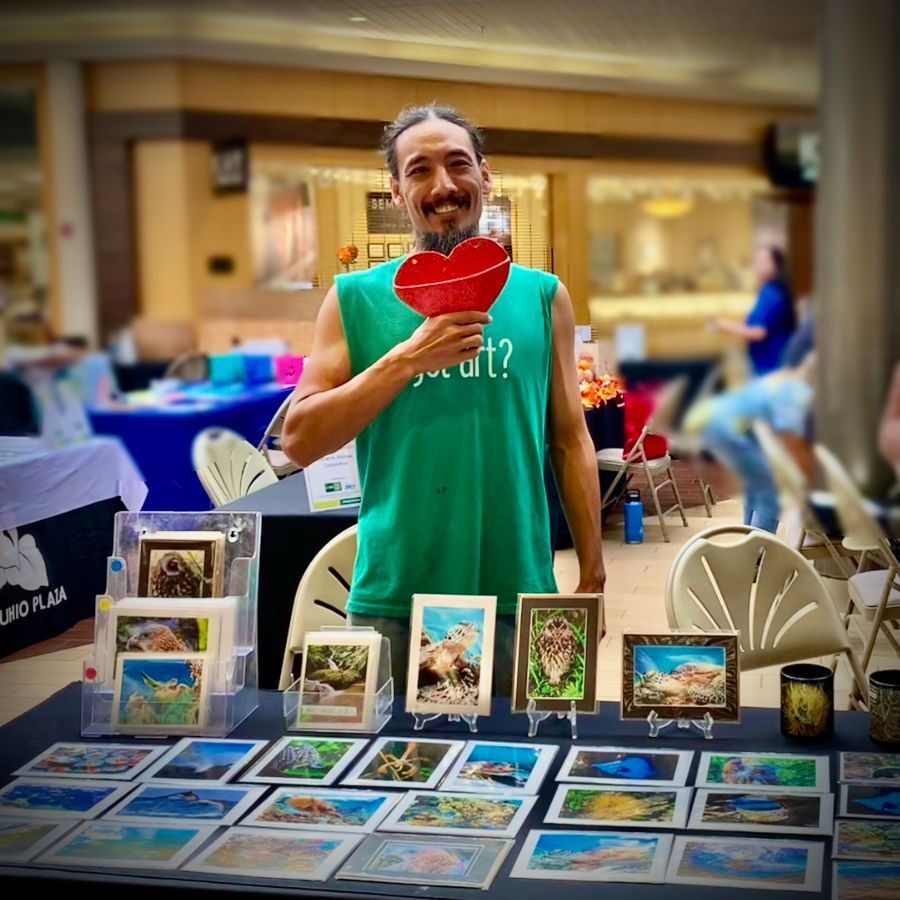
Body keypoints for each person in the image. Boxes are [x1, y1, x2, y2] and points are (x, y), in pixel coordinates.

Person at [282, 104, 605, 691]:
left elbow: (570, 437)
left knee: (528, 766)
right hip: (395, 595)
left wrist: (593, 575)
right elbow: (300, 440)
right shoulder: (354, 299)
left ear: (486, 176)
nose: (443, 186)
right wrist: (408, 358)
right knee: (391, 771)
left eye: (458, 165)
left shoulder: (542, 295)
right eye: (419, 170)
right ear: (396, 189)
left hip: (522, 591)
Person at [710, 246, 796, 376]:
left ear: (775, 264)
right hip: (766, 364)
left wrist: (724, 326)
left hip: (770, 366)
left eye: (763, 261)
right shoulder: (768, 289)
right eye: (756, 261)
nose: (758, 265)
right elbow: (752, 325)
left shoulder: (771, 293)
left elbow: (758, 332)